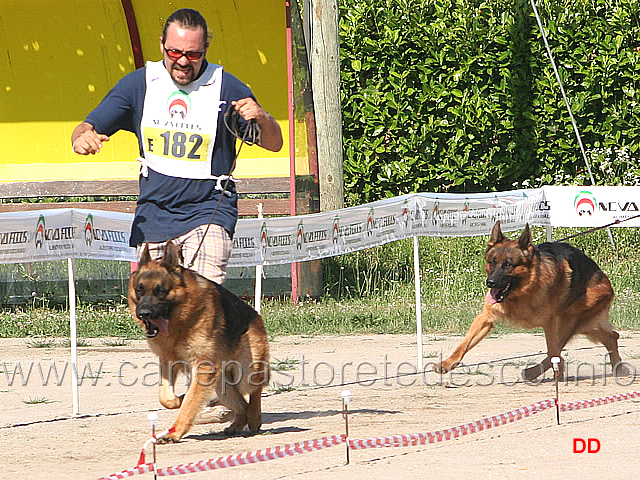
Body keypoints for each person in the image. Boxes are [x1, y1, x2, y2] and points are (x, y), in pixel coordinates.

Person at [71, 8, 282, 423]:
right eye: (174, 52)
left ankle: (208, 389)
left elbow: (272, 142)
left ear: (205, 51)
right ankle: (198, 386)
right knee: (152, 307)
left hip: (209, 210)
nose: (182, 61)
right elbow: (88, 125)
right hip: (154, 217)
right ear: (163, 47)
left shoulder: (225, 85)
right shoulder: (139, 85)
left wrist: (263, 118)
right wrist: (83, 137)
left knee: (202, 309)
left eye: (192, 54)